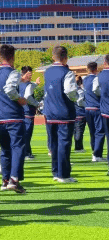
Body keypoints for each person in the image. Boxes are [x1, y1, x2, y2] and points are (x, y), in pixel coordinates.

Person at [0, 44, 28, 194]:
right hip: (13, 116)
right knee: (18, 147)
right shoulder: (13, 73)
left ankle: (5, 180)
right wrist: (19, 99)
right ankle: (14, 179)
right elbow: (9, 89)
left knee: (5, 149)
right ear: (13, 57)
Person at [43, 46, 79, 183]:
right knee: (64, 143)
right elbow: (70, 91)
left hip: (50, 112)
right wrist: (78, 98)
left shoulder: (47, 71)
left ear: (53, 57)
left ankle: (56, 172)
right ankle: (64, 174)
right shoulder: (67, 72)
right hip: (64, 112)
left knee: (54, 144)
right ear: (65, 58)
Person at [81, 62, 105, 162]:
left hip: (87, 108)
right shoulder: (96, 78)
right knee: (100, 131)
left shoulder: (84, 79)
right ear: (96, 69)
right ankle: (97, 154)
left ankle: (94, 153)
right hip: (96, 107)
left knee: (92, 132)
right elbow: (96, 89)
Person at [20, 66, 39, 160]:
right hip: (28, 111)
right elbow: (28, 96)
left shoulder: (19, 83)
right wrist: (37, 104)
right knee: (27, 133)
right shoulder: (28, 85)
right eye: (30, 74)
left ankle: (26, 151)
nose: (31, 76)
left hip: (20, 111)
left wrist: (36, 84)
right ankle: (26, 153)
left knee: (22, 132)